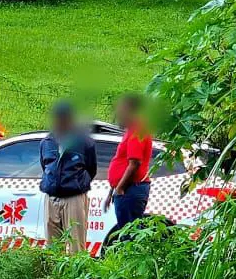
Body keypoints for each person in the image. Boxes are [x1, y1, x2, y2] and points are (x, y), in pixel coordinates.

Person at [39, 101, 97, 253]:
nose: (60, 121)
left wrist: (75, 184)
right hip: (51, 198)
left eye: (64, 118)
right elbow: (45, 167)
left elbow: (91, 169)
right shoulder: (47, 142)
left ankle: (76, 276)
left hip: (74, 198)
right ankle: (56, 277)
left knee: (76, 246)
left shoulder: (83, 141)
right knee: (53, 248)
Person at [104, 94, 153, 234]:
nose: (117, 114)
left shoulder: (137, 130)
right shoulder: (132, 130)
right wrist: (112, 191)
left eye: (120, 110)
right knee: (126, 233)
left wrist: (119, 188)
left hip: (131, 189)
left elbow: (134, 163)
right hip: (127, 189)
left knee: (128, 235)